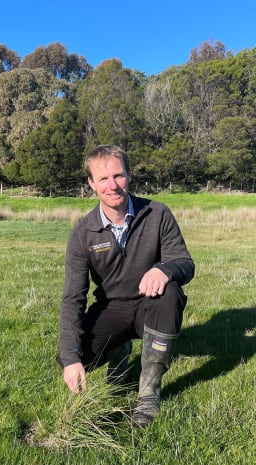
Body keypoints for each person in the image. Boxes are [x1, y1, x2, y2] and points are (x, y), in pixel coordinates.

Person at [58, 144, 195, 428]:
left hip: (151, 304)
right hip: (112, 307)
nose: (113, 185)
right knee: (72, 355)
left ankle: (148, 394)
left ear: (130, 175)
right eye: (103, 179)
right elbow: (73, 298)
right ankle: (117, 350)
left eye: (118, 176)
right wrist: (71, 358)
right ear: (91, 183)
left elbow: (184, 263)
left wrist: (164, 269)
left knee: (169, 292)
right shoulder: (83, 233)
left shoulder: (157, 214)